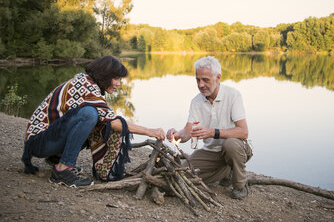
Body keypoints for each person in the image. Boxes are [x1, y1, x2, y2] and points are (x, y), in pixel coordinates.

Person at [22, 56, 165, 187]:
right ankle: (63, 170)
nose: (118, 83)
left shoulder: (86, 81)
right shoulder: (87, 86)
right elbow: (114, 122)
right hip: (39, 143)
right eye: (116, 78)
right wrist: (150, 131)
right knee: (90, 115)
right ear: (105, 75)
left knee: (97, 119)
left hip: (42, 140)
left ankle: (57, 159)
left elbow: (107, 117)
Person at [166, 56, 252, 200]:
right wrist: (176, 135)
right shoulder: (196, 102)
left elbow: (243, 132)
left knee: (230, 144)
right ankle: (226, 171)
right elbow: (187, 133)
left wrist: (213, 132)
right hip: (211, 153)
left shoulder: (233, 95)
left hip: (236, 148)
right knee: (182, 174)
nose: (200, 85)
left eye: (205, 80)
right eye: (197, 80)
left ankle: (240, 184)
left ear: (218, 77)